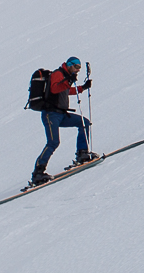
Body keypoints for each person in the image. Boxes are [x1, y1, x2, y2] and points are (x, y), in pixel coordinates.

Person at [32, 57, 97, 186]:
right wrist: (69, 81)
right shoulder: (58, 74)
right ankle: (38, 172)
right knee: (53, 142)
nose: (78, 70)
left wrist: (82, 88)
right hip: (51, 115)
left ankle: (82, 153)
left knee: (84, 123)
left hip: (61, 114)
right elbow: (55, 89)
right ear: (69, 65)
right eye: (76, 67)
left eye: (79, 68)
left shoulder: (66, 76)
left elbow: (66, 91)